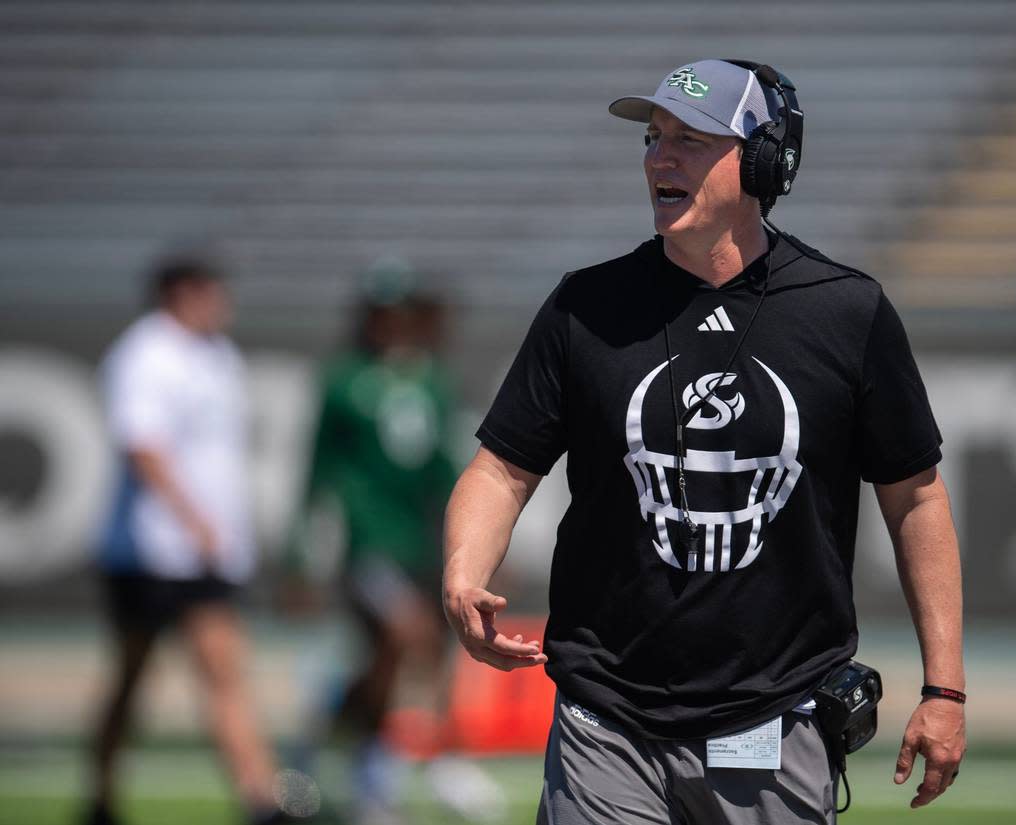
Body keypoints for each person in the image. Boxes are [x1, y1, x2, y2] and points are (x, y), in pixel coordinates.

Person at [442, 59, 966, 824]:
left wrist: (944, 688)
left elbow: (915, 499)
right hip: (605, 718)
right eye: (655, 139)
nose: (661, 157)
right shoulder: (584, 307)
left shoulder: (846, 311)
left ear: (760, 162)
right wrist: (463, 571)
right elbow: (500, 469)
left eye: (691, 140)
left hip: (773, 721)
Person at [288, 260, 506, 823]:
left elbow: (447, 471)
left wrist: (476, 546)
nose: (389, 324)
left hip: (418, 540)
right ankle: (378, 777)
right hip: (366, 543)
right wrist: (300, 553)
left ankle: (323, 744)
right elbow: (316, 473)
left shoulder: (429, 380)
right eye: (380, 314)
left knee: (400, 655)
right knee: (403, 635)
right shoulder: (343, 382)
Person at [87, 257, 286, 825]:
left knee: (223, 668)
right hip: (150, 549)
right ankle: (101, 791)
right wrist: (190, 516)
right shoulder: (146, 353)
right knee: (131, 680)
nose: (220, 302)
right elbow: (142, 444)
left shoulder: (217, 356)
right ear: (178, 293)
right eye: (208, 291)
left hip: (205, 553)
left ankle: (261, 799)